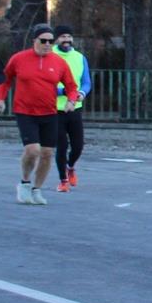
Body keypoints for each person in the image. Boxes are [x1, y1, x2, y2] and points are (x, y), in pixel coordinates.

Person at [0, 23, 79, 205]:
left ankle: (37, 189)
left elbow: (72, 86)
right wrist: (0, 99)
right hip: (25, 111)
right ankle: (25, 183)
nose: (47, 44)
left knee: (47, 153)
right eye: (43, 41)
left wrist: (71, 101)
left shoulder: (59, 62)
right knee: (33, 150)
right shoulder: (19, 59)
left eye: (51, 41)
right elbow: (5, 80)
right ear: (34, 40)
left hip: (49, 112)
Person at [50, 25, 91, 192]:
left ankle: (70, 166)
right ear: (56, 39)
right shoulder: (50, 56)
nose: (66, 40)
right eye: (62, 37)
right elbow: (44, 85)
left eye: (68, 37)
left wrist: (81, 93)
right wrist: (63, 92)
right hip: (55, 109)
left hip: (75, 107)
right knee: (61, 145)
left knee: (78, 145)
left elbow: (86, 82)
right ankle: (63, 180)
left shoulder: (79, 57)